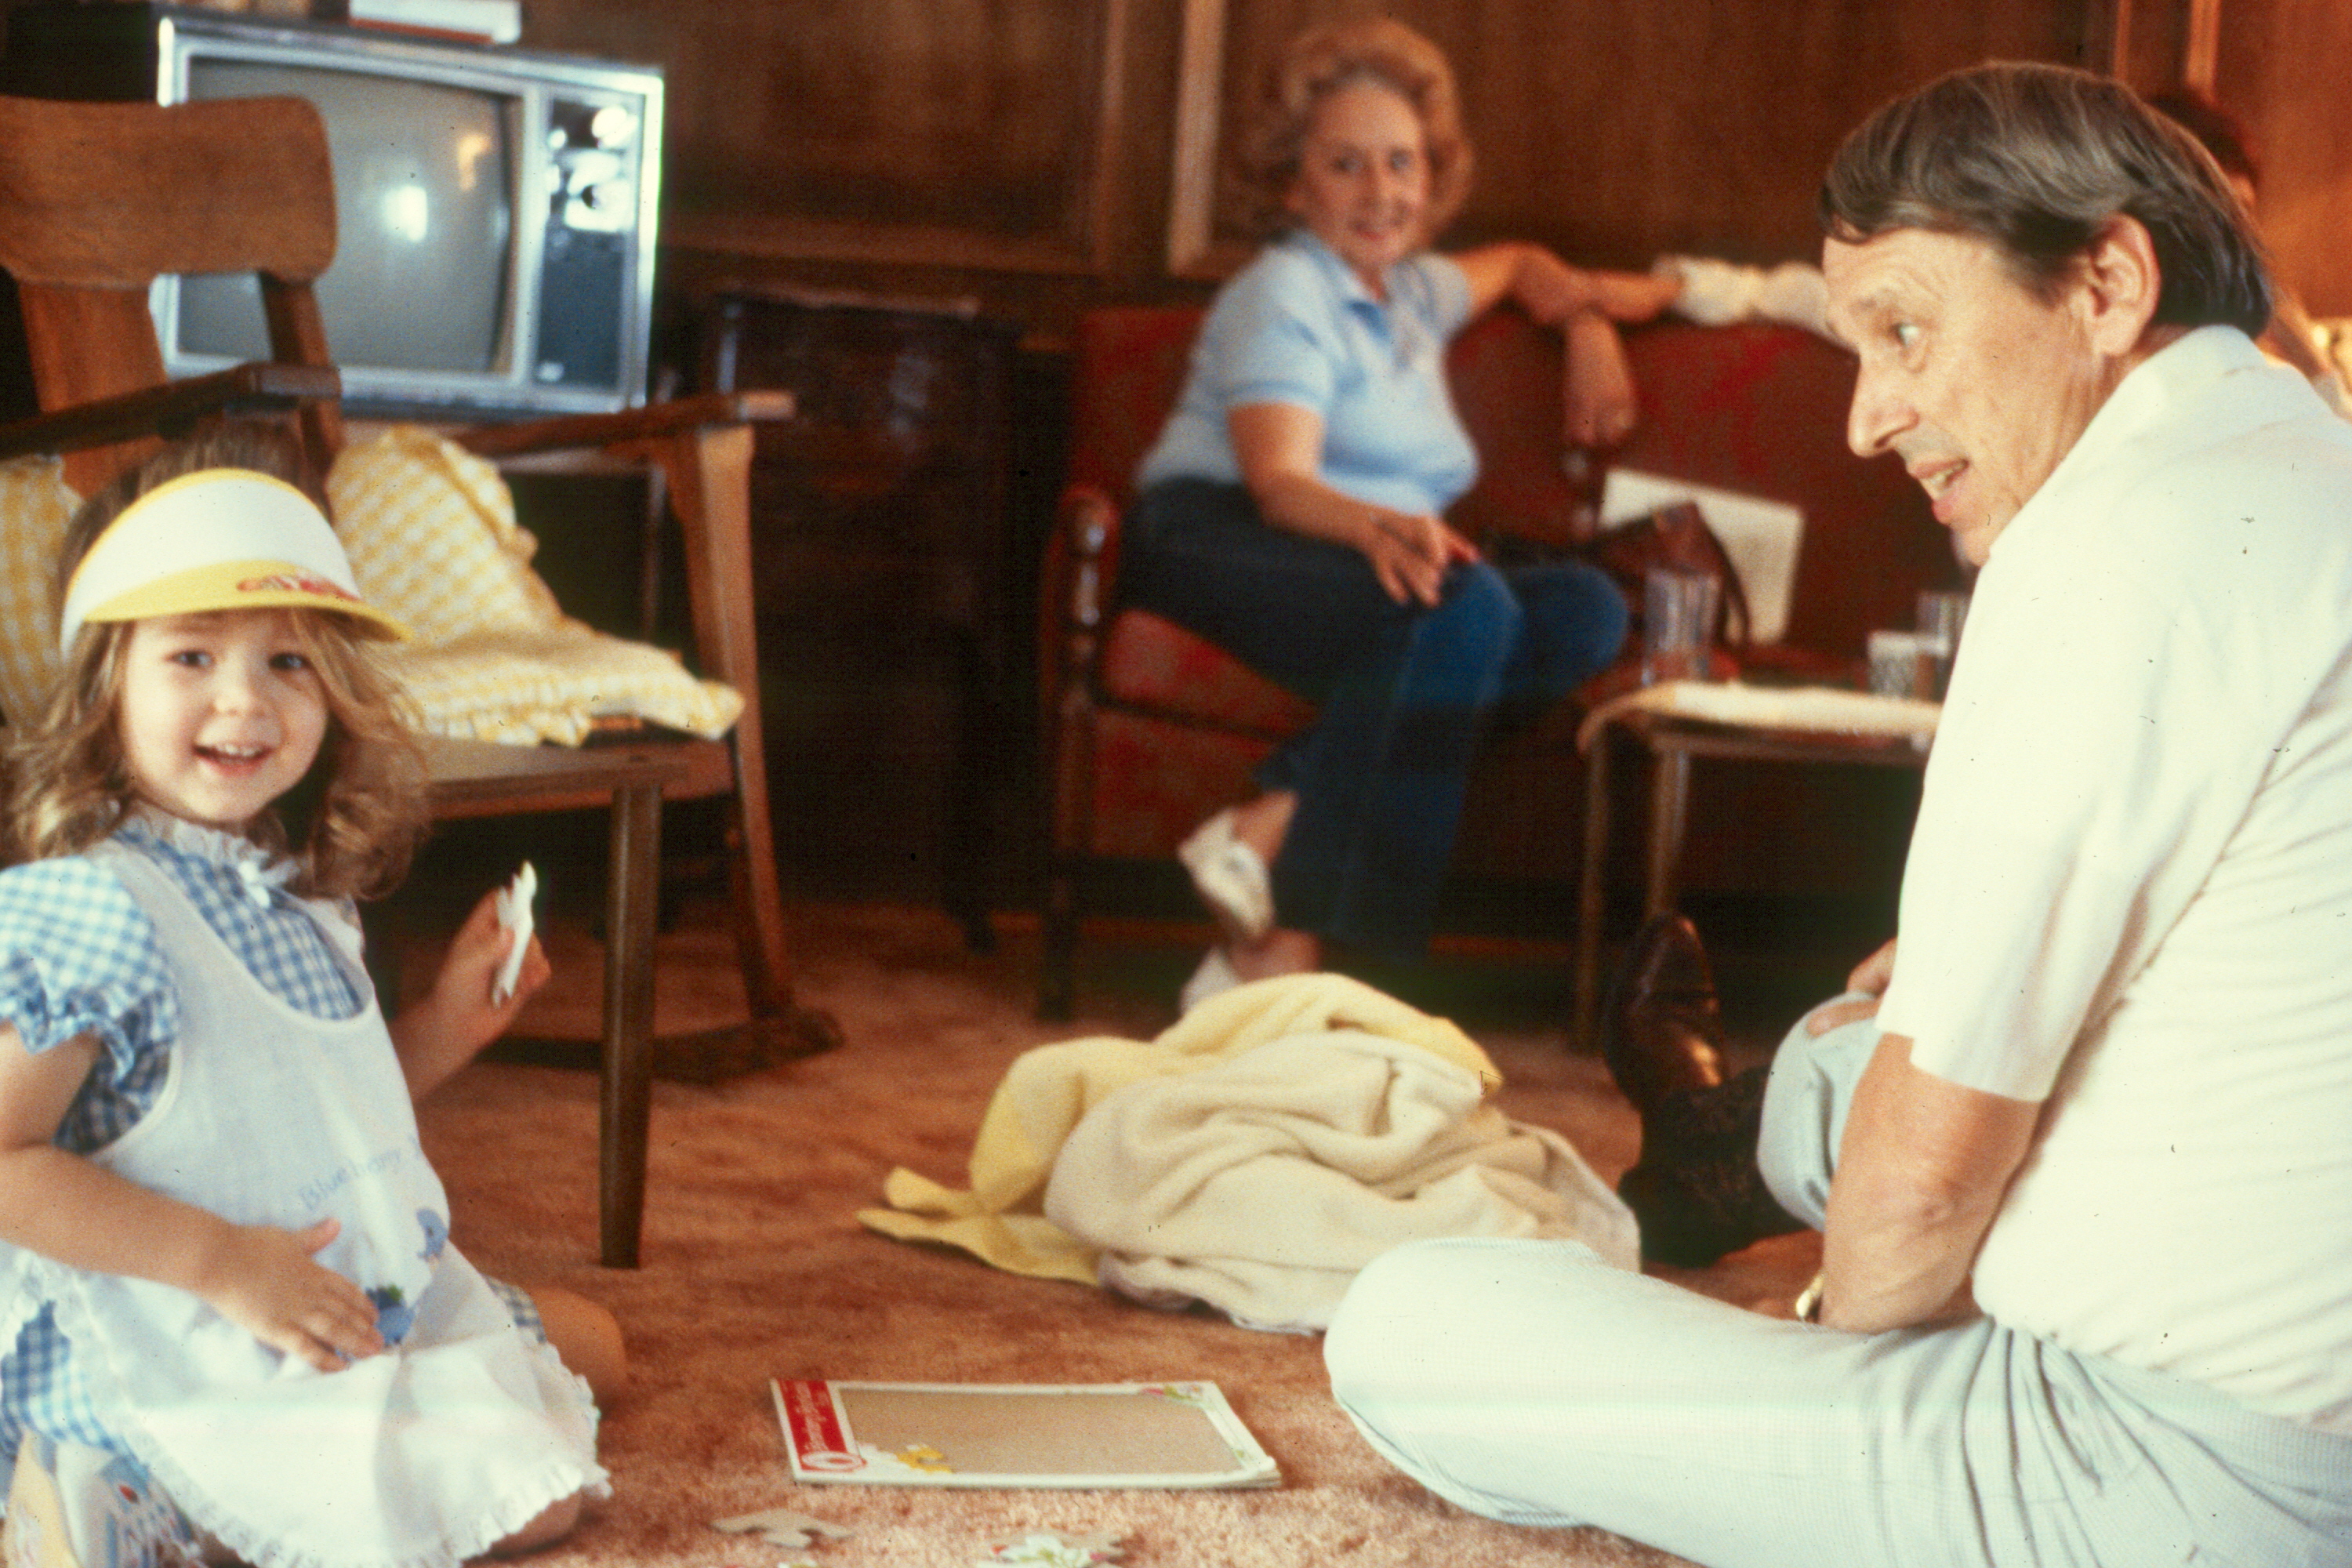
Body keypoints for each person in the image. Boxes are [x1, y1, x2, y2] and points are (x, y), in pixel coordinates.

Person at [1324, 61, 2352, 1566]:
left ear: (2108, 283)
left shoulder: (2100, 552)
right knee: (1846, 1053)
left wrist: (1831, 1348)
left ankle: (1727, 1176)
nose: (1869, 418)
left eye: (1906, 332)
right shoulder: (2306, 460)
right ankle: (1726, 1138)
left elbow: (1916, 1203)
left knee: (1412, 1318)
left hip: (2197, 1484)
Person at [0, 434, 618, 1567]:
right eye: (191, 655)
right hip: (180, 1318)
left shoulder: (292, 893)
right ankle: (135, 1503)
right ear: (104, 687)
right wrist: (222, 1264)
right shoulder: (91, 908)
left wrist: (446, 1027)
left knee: (596, 1348)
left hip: (327, 1285)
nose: (245, 699)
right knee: (534, 1496)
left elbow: (301, 1117)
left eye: (288, 660)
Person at [1123, 17, 1679, 1007]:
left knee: (1586, 607)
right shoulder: (1285, 289)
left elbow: (1523, 262)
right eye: (1345, 165)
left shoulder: (1417, 291)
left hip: (1345, 552)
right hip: (1218, 535)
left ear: (1433, 177)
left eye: (1401, 163)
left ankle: (1275, 819)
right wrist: (1383, 529)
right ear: (1294, 186)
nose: (1380, 192)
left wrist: (1587, 324)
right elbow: (1280, 482)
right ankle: (1307, 953)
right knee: (1470, 605)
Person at [2146, 86, 2350, 415]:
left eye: (2242, 214)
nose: (2234, 242)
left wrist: (2313, 365)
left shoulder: (2257, 356)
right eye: (2212, 216)